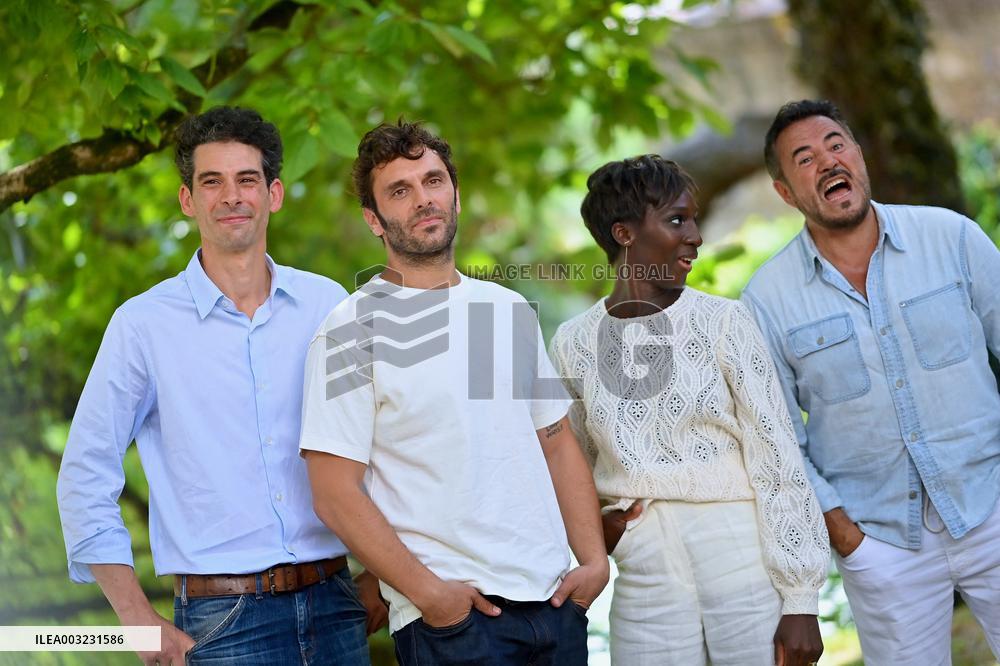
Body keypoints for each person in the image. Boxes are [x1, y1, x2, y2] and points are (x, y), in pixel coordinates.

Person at [56, 106, 374, 666]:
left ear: (273, 193)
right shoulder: (143, 325)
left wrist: (382, 574)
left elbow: (384, 442)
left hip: (338, 604)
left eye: (246, 179)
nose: (231, 196)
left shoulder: (327, 305)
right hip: (223, 624)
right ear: (188, 200)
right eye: (212, 181)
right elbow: (85, 472)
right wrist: (135, 618)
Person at [299, 120, 609, 665]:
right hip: (454, 625)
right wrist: (429, 596)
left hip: (555, 605)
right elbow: (334, 493)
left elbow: (556, 441)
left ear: (455, 194)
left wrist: (593, 560)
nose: (424, 199)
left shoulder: (506, 309)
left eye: (433, 180)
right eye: (401, 190)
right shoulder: (351, 329)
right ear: (374, 219)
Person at [741, 99, 1000, 665]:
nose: (827, 161)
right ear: (785, 191)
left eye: (836, 144)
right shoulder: (767, 299)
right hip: (882, 542)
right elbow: (776, 440)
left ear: (858, 156)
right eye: (804, 158)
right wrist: (845, 536)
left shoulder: (951, 237)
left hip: (992, 506)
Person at [549, 154, 829, 666]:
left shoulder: (726, 323)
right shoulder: (573, 343)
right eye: (677, 220)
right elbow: (572, 464)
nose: (695, 235)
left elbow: (778, 457)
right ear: (624, 234)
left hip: (741, 556)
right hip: (645, 570)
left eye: (693, 219)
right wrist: (599, 531)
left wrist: (801, 599)